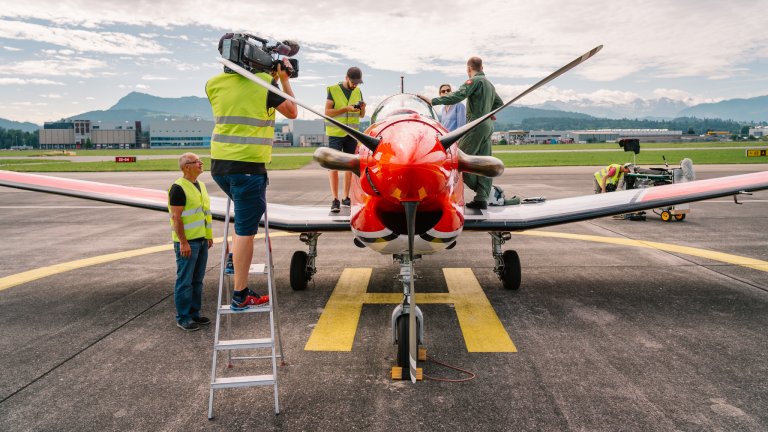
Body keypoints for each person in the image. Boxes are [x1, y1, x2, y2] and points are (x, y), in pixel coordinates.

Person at [206, 33, 298, 310]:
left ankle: (235, 260)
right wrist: (283, 79)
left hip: (219, 165)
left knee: (241, 221)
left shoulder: (213, 84)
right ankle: (240, 295)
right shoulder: (264, 85)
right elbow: (292, 111)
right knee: (246, 230)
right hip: (247, 168)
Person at [424, 57, 503, 210]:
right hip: (488, 127)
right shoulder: (490, 85)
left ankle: (476, 191)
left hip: (475, 125)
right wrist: (490, 113)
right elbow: (499, 104)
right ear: (482, 67)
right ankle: (482, 197)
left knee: (459, 161)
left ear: (469, 69)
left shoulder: (474, 82)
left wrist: (433, 101)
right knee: (483, 162)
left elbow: (458, 96)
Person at [168, 152, 214, 331]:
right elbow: (176, 218)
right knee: (185, 281)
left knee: (197, 280)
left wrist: (208, 236)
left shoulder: (200, 185)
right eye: (197, 162)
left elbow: (204, 213)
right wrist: (183, 242)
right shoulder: (178, 188)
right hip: (188, 243)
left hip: (201, 241)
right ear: (187, 167)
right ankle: (183, 317)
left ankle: (194, 314)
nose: (201, 163)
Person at [325, 66, 366, 213]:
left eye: (357, 83)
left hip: (352, 134)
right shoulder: (333, 90)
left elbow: (361, 116)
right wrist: (346, 109)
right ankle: (335, 199)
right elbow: (327, 112)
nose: (355, 85)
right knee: (334, 166)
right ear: (346, 78)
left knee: (350, 166)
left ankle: (346, 197)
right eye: (353, 82)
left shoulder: (358, 91)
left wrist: (362, 108)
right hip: (336, 133)